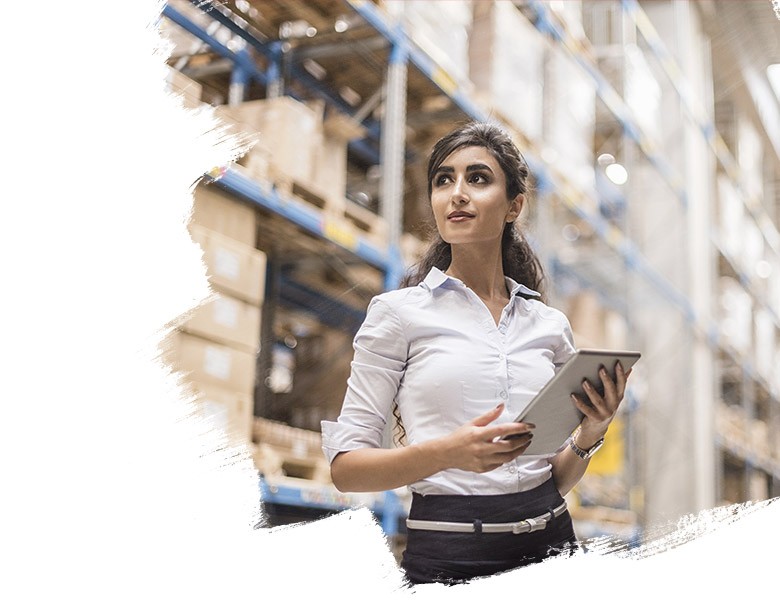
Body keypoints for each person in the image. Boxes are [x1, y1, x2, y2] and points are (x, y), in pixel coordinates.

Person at [320, 121, 631, 585]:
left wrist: (593, 430)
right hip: (450, 557)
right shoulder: (398, 314)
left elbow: (551, 481)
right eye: (444, 180)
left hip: (552, 550)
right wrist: (448, 452)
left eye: (478, 179)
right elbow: (347, 470)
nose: (457, 193)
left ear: (514, 206)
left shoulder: (547, 326)